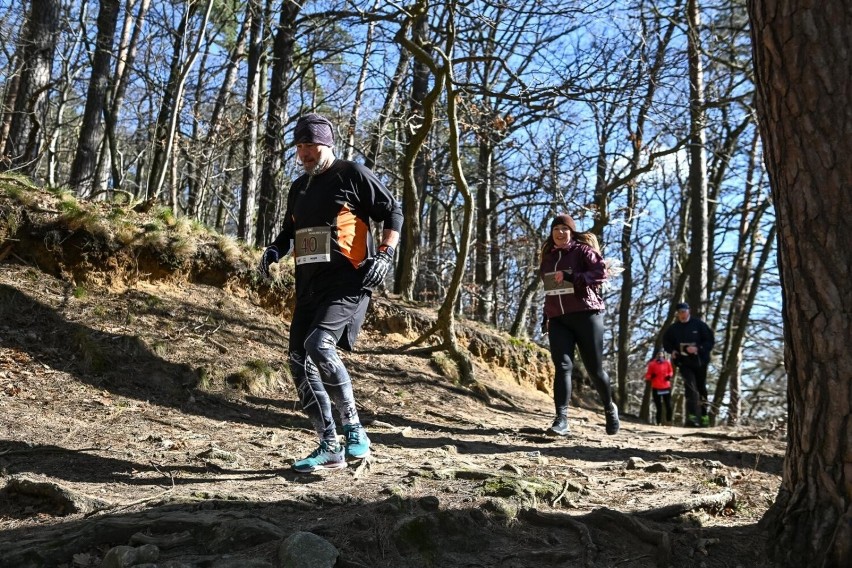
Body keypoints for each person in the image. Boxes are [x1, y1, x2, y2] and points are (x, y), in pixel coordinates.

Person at [258, 113, 403, 473]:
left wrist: (384, 254)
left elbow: (394, 213)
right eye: (301, 146)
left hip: (349, 280)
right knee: (297, 359)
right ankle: (329, 445)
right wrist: (274, 251)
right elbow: (288, 234)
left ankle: (354, 429)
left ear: (328, 144)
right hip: (309, 286)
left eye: (312, 145)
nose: (306, 153)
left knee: (318, 345)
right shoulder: (299, 188)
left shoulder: (352, 174)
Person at [539, 213, 619, 437]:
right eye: (556, 229)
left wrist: (573, 278)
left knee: (595, 370)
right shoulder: (547, 257)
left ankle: (609, 407)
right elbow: (550, 290)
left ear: (571, 232)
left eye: (564, 229)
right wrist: (547, 315)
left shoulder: (582, 251)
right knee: (562, 367)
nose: (560, 233)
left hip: (586, 314)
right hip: (559, 319)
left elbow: (600, 272)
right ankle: (561, 420)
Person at [662, 302, 715, 427]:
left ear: (689, 311)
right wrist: (673, 351)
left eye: (684, 312)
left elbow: (710, 341)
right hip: (684, 362)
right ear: (677, 314)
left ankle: (704, 416)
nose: (682, 315)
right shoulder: (673, 328)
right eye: (680, 313)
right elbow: (666, 342)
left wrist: (698, 348)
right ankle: (691, 418)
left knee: (701, 388)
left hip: (700, 361)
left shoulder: (699, 325)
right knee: (690, 388)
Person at [645, 349, 674, 426]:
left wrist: (669, 376)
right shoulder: (652, 364)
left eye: (661, 355)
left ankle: (669, 421)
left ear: (664, 356)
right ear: (656, 355)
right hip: (656, 387)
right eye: (658, 355)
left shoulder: (667, 363)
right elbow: (647, 376)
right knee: (659, 406)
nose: (660, 356)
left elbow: (671, 372)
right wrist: (651, 376)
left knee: (668, 405)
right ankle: (658, 422)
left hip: (666, 387)